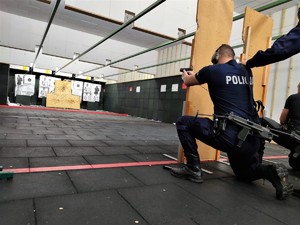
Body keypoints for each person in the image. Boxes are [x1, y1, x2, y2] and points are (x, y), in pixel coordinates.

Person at [170, 44, 293, 200]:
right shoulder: (246, 70)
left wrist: (185, 75)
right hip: (253, 139)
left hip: (230, 137)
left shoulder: (211, 70)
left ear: (217, 54)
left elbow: (188, 81)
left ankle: (193, 168)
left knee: (183, 122)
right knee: (244, 173)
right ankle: (269, 172)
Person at [262, 82, 300, 170]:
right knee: (295, 165)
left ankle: (257, 155)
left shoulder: (293, 97)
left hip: (292, 137)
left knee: (262, 121)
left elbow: (282, 119)